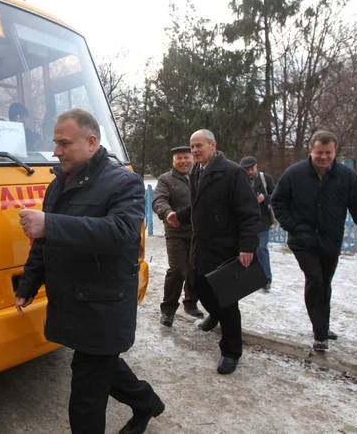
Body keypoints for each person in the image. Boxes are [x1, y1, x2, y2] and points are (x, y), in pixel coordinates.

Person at [15, 108, 164, 434]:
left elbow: (119, 233)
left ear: (92, 142)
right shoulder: (58, 185)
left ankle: (146, 403)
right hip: (74, 302)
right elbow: (43, 243)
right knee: (102, 366)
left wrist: (49, 223)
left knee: (84, 402)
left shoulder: (124, 182)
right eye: (55, 143)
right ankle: (146, 402)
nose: (56, 151)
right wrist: (27, 286)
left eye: (64, 143)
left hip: (103, 306)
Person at [271, 131, 357, 352]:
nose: (323, 157)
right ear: (311, 150)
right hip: (302, 239)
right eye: (319, 152)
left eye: (328, 153)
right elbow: (278, 202)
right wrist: (294, 226)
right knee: (315, 279)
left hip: (330, 240)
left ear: (334, 152)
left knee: (325, 283)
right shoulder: (295, 174)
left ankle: (322, 324)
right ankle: (320, 333)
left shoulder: (346, 177)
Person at [169, 130, 260, 375]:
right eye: (192, 147)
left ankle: (231, 352)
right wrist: (179, 216)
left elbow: (249, 212)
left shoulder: (232, 172)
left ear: (213, 145)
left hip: (224, 246)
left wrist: (247, 246)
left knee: (227, 300)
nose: (195, 151)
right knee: (199, 287)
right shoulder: (196, 172)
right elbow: (200, 205)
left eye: (199, 146)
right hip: (200, 246)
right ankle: (215, 315)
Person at [152, 146, 203, 327]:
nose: (183, 161)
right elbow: (159, 200)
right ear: (173, 162)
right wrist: (167, 213)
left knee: (195, 269)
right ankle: (168, 310)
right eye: (179, 158)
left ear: (192, 158)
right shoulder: (166, 179)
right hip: (176, 232)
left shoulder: (201, 175)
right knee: (178, 270)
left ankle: (190, 303)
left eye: (186, 157)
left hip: (199, 233)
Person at [240, 156, 276, 292]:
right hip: (245, 222)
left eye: (251, 169)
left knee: (261, 248)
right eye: (246, 169)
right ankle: (251, 278)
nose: (249, 172)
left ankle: (266, 279)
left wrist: (264, 198)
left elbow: (276, 196)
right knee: (247, 250)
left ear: (256, 166)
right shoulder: (239, 180)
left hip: (262, 221)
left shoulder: (265, 179)